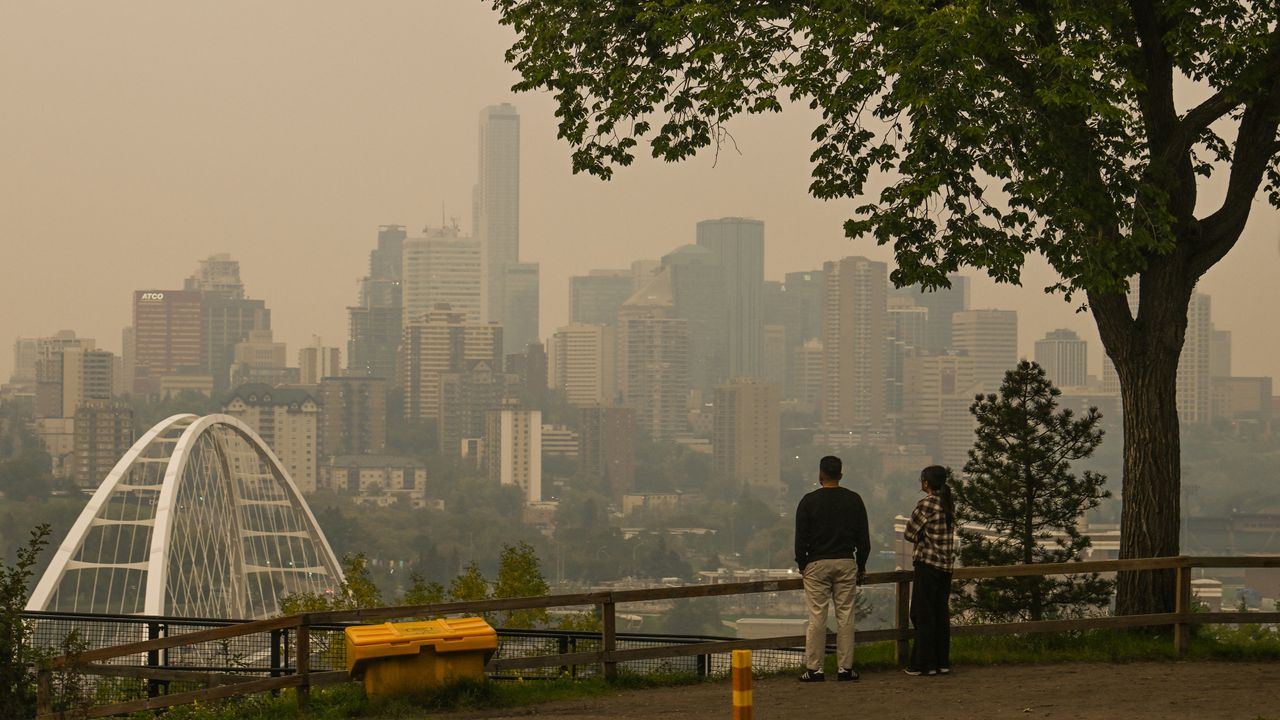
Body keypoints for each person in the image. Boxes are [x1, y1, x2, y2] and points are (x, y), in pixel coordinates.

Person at [794, 455, 870, 682]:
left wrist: (802, 564)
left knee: (817, 616)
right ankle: (845, 668)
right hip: (846, 562)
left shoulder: (808, 501)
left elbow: (800, 539)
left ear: (821, 475)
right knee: (845, 615)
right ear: (841, 475)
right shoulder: (854, 500)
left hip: (816, 563)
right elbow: (863, 539)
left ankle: (815, 669)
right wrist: (861, 565)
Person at [903, 465, 956, 676]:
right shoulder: (948, 504)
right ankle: (941, 662)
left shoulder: (926, 504)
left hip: (928, 564)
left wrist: (922, 537)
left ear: (926, 483)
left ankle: (923, 664)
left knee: (922, 614)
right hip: (946, 567)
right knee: (940, 613)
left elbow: (909, 533)